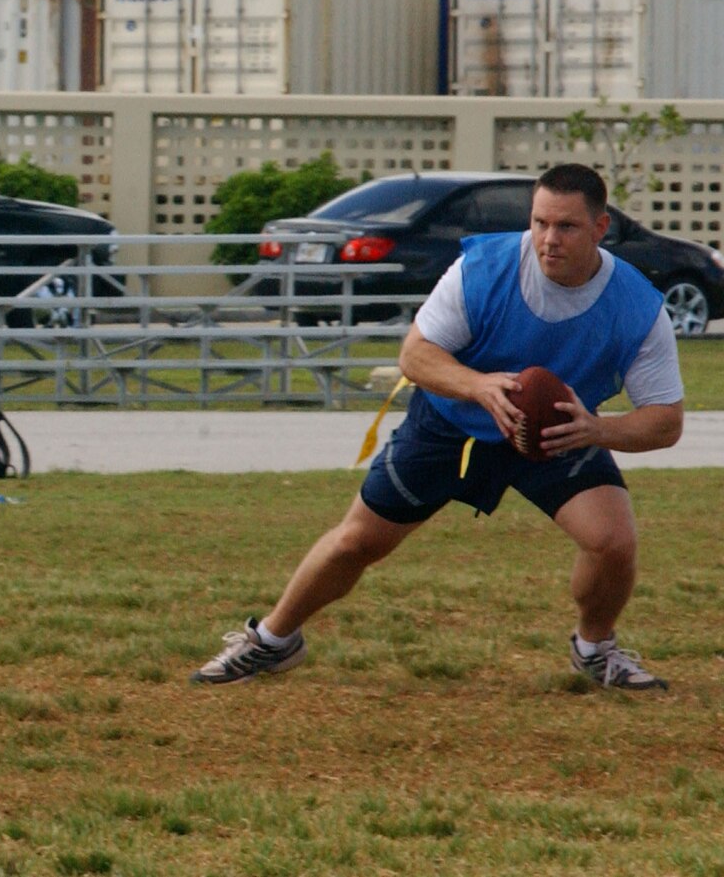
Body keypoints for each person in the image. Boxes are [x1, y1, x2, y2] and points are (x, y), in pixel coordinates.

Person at [193, 163, 683, 691]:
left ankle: (594, 649)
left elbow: (666, 421)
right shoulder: (483, 269)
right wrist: (479, 386)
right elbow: (415, 355)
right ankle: (272, 640)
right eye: (539, 223)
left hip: (556, 433)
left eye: (566, 226)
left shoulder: (636, 306)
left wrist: (595, 430)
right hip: (450, 428)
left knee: (614, 542)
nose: (548, 239)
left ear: (600, 228)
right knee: (356, 542)